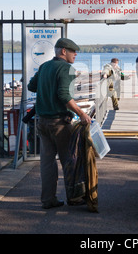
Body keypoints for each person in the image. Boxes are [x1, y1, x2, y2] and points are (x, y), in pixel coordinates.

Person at [27, 37, 92, 209]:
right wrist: (81, 114)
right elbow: (64, 96)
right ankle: (75, 197)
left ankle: (48, 199)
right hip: (60, 123)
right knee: (70, 160)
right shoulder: (66, 69)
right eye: (73, 51)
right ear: (63, 51)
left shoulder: (44, 66)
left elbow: (31, 87)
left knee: (47, 163)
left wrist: (46, 87)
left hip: (42, 122)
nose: (75, 54)